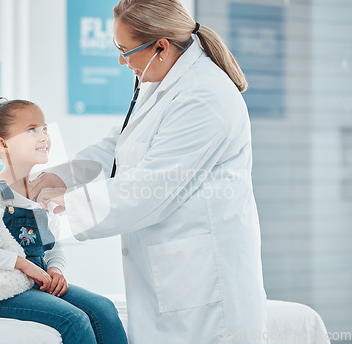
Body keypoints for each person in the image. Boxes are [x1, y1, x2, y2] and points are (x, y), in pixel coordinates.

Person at [28, 0, 268, 343]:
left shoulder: (205, 97)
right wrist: (62, 176)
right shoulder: (161, 80)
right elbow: (119, 144)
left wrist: (65, 206)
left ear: (161, 46)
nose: (122, 61)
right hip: (174, 276)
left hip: (203, 286)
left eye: (126, 51)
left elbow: (149, 188)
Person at [0, 95, 128, 344]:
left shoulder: (43, 192)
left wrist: (55, 270)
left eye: (44, 128)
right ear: (3, 144)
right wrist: (23, 265)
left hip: (36, 286)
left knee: (104, 309)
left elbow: (54, 246)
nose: (44, 136)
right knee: (74, 320)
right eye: (32, 130)